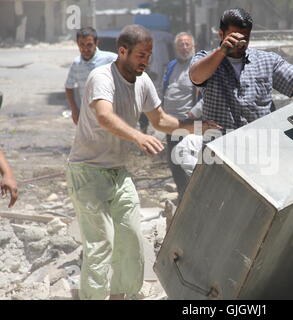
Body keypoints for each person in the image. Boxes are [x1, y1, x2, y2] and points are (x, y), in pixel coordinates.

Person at [66, 24, 219, 300]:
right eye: (141, 55)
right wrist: (138, 136)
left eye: (149, 55)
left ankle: (121, 296)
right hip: (87, 172)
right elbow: (104, 116)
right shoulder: (102, 77)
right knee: (101, 245)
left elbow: (160, 120)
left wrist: (196, 127)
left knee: (132, 239)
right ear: (122, 51)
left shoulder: (144, 81)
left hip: (118, 173)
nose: (146, 61)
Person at [189, 8, 293, 132]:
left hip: (260, 147)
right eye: (234, 37)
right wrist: (221, 52)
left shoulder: (268, 60)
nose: (240, 43)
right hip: (220, 148)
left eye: (245, 38)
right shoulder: (206, 58)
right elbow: (196, 76)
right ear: (221, 35)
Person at [162, 32, 202, 199]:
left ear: (194, 47)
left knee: (190, 161)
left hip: (190, 123)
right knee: (174, 163)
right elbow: (166, 88)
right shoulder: (171, 65)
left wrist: (194, 112)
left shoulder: (198, 66)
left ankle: (194, 198)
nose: (184, 48)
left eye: (187, 44)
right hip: (170, 123)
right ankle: (182, 196)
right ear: (175, 48)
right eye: (181, 45)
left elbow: (207, 95)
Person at [65, 27, 117, 125]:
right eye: (82, 44)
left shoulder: (110, 59)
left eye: (89, 45)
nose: (85, 49)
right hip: (87, 118)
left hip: (110, 115)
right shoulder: (76, 64)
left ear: (96, 43)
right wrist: (74, 109)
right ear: (77, 44)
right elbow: (69, 87)